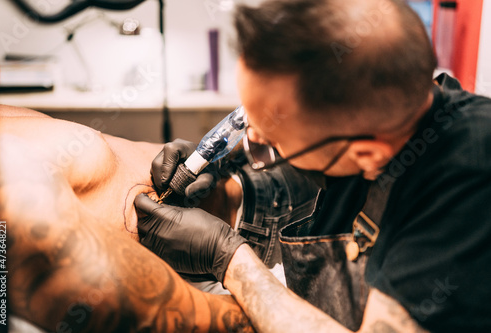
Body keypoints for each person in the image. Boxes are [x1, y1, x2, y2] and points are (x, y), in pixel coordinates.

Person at [134, 0, 491, 332]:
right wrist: (224, 163)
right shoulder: (393, 112)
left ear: (367, 156)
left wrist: (228, 259)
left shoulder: (466, 190)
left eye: (273, 136)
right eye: (247, 118)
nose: (252, 136)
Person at [0, 104, 255, 332]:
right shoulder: (7, 203)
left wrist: (221, 158)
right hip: (252, 242)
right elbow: (201, 319)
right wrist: (228, 255)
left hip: (248, 175)